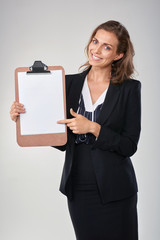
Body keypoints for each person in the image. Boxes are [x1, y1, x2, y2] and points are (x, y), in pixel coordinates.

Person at [10, 20, 141, 240]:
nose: (96, 50)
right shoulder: (66, 83)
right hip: (79, 188)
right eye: (95, 41)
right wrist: (23, 118)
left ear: (119, 55)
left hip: (117, 188)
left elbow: (129, 145)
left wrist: (93, 128)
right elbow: (60, 139)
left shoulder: (129, 89)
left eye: (106, 46)